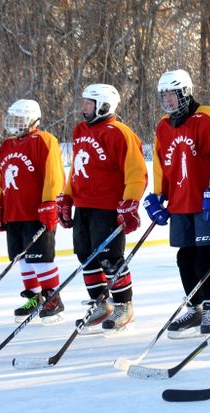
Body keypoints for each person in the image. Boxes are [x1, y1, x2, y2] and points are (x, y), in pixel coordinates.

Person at [145, 69, 210, 339]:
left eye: (172, 95)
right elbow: (162, 163)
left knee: (206, 253)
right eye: (164, 96)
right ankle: (195, 307)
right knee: (184, 256)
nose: (168, 101)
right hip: (179, 202)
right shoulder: (163, 125)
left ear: (185, 92)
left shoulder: (206, 117)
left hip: (206, 199)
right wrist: (158, 194)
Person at [58, 84, 147, 334]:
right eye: (84, 102)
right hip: (84, 207)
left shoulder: (119, 133)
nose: (83, 107)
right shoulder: (81, 131)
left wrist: (130, 202)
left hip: (108, 209)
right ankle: (100, 304)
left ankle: (123, 306)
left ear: (104, 105)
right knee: (86, 257)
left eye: (89, 103)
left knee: (110, 259)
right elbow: (76, 169)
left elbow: (136, 172)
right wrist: (66, 196)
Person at [0, 99, 66, 324]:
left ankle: (53, 298)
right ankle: (34, 297)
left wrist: (50, 202)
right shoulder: (7, 145)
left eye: (20, 118)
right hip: (14, 212)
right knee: (21, 259)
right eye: (13, 118)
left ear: (33, 119)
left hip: (36, 212)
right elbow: (1, 180)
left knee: (40, 257)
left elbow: (54, 174)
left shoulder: (44, 140)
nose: (15, 123)